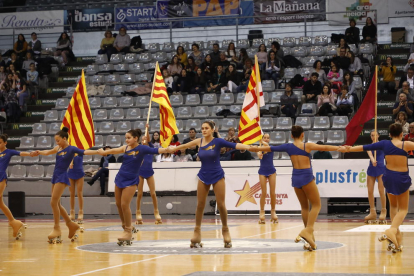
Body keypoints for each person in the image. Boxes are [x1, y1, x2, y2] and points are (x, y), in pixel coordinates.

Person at [250, 126, 339, 251]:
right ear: (302, 135)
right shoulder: (306, 146)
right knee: (316, 205)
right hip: (307, 176)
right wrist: (340, 148)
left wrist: (252, 148)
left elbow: (270, 147)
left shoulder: (288, 146)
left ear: (292, 136)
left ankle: (310, 240)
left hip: (295, 178)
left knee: (304, 207)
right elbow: (324, 147)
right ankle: (308, 230)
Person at [172, 121, 252, 248]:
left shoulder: (218, 141)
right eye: (202, 128)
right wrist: (171, 148)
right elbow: (185, 145)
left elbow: (235, 145)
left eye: (206, 128)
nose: (204, 130)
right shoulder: (199, 141)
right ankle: (197, 232)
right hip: (203, 175)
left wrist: (249, 147)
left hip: (217, 175)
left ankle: (225, 230)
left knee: (221, 205)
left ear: (212, 129)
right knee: (200, 205)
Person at [339, 123, 411, 252]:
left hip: (388, 177)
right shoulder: (406, 144)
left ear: (389, 134)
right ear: (402, 134)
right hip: (402, 178)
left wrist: (349, 149)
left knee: (393, 207)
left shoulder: (384, 144)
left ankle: (396, 240)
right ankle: (392, 230)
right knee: (403, 209)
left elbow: (364, 147)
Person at [97, 128, 169, 245]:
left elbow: (156, 150)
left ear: (136, 138)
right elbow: (115, 150)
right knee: (118, 204)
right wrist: (103, 152)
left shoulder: (141, 148)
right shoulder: (125, 148)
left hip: (131, 180)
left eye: (129, 137)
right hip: (120, 177)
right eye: (126, 138)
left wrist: (168, 149)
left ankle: (128, 231)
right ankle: (125, 226)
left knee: (125, 204)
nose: (126, 140)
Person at [32, 127, 98, 243]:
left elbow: (85, 152)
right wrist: (39, 152)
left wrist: (99, 151)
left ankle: (57, 228)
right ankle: (71, 225)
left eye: (58, 140)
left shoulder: (71, 149)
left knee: (53, 202)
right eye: (56, 141)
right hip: (55, 175)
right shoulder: (58, 148)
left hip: (62, 176)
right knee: (56, 202)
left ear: (64, 138)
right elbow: (48, 152)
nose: (57, 143)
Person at [0, 134, 32, 239]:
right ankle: (14, 222)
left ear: (5, 143)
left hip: (1, 177)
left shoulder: (8, 152)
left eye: (0, 142)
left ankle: (14, 222)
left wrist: (30, 154)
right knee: (0, 204)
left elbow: (20, 153)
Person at [136, 129, 162, 225]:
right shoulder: (139, 148)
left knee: (153, 193)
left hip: (149, 172)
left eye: (145, 139)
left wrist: (147, 128)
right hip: (140, 172)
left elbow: (149, 139)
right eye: (142, 139)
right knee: (139, 193)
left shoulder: (150, 147)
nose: (144, 140)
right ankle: (138, 212)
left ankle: (156, 212)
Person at [363, 131, 387, 224]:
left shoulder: (382, 145)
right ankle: (372, 212)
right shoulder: (369, 146)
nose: (373, 137)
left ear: (378, 135)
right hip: (372, 168)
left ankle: (383, 210)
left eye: (375, 135)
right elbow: (370, 155)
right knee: (370, 191)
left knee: (381, 191)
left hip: (381, 168)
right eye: (372, 135)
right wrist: (373, 160)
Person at [256, 133, 278, 224]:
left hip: (272, 171)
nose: (266, 139)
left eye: (268, 138)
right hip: (262, 171)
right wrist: (259, 153)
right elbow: (258, 155)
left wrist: (262, 142)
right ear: (262, 138)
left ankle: (273, 212)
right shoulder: (259, 147)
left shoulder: (270, 147)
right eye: (264, 138)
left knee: (272, 192)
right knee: (263, 193)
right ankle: (262, 212)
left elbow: (267, 146)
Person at [67, 154, 85, 225]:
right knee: (71, 194)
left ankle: (80, 212)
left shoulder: (80, 151)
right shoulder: (69, 152)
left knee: (79, 193)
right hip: (71, 173)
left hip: (80, 173)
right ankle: (72, 212)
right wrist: (70, 162)